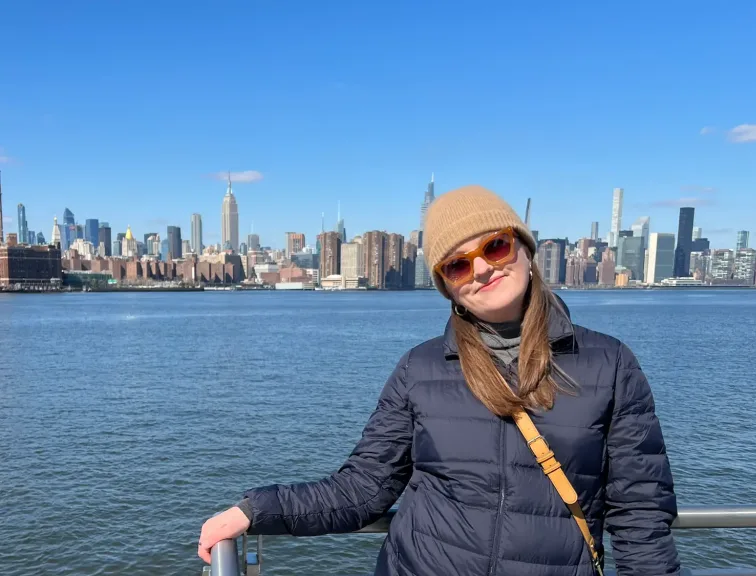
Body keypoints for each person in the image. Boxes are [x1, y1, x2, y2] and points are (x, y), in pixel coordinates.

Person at [198, 185, 681, 576]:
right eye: (457, 263)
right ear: (446, 283)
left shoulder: (609, 364)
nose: (482, 269)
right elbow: (364, 488)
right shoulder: (421, 369)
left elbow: (640, 518)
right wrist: (257, 509)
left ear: (525, 249)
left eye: (494, 245)